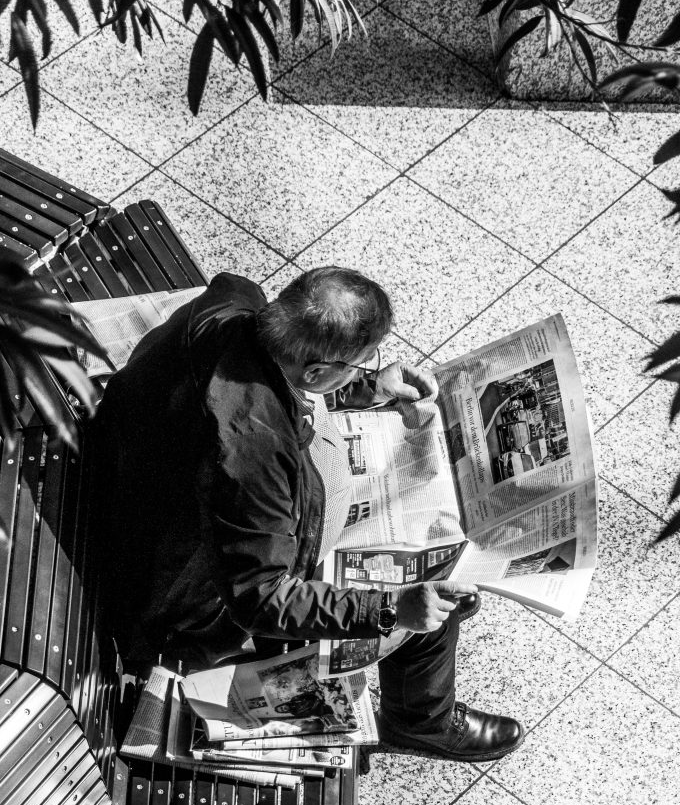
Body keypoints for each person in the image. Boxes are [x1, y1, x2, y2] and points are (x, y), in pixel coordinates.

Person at [93, 267, 524, 762]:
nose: (364, 369)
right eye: (357, 363)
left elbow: (274, 380)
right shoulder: (252, 454)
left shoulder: (231, 304)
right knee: (436, 593)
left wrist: (363, 390)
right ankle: (421, 723)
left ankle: (420, 701)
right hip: (178, 607)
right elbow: (261, 601)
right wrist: (387, 610)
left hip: (137, 487)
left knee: (438, 583)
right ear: (316, 372)